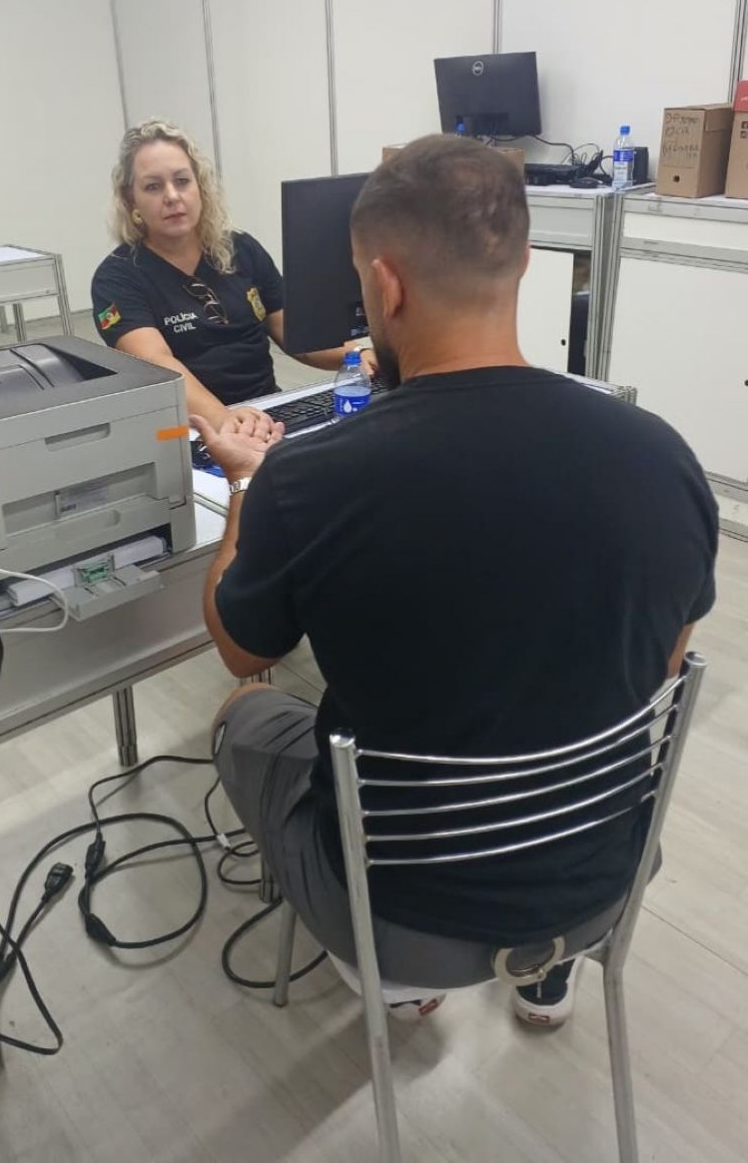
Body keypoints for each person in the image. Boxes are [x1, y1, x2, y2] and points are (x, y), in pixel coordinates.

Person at [193, 135, 718, 1024]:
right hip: (604, 876)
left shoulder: (312, 479)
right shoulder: (661, 456)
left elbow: (241, 649)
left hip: (403, 920)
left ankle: (404, 989)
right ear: (521, 264)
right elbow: (661, 667)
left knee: (245, 711)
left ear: (384, 285)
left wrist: (246, 483)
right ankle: (547, 970)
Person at [91, 120, 375, 428]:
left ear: (200, 186)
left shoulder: (241, 249)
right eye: (153, 186)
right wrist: (223, 420)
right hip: (184, 429)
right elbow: (159, 367)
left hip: (266, 412)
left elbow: (297, 336)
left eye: (182, 181)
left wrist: (357, 355)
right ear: (131, 199)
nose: (172, 196)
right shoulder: (117, 278)